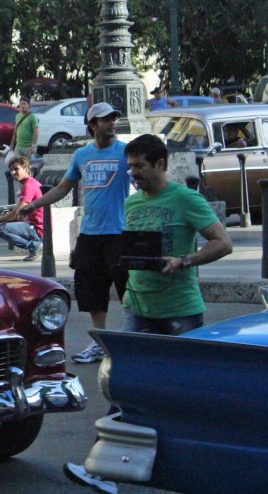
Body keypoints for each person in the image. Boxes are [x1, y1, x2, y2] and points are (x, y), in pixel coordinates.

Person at [64, 134, 233, 494]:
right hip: (138, 308)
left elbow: (223, 242)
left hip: (180, 313)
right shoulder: (133, 203)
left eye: (139, 166)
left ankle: (209, 468)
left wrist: (184, 260)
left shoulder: (186, 199)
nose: (133, 173)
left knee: (186, 394)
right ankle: (102, 470)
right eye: (130, 167)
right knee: (125, 389)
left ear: (160, 164)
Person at [18, 102, 130, 364]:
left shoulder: (125, 153)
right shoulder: (81, 155)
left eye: (114, 119)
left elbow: (143, 179)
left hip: (120, 232)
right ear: (92, 125)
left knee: (129, 290)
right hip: (90, 233)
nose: (112, 123)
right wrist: (34, 204)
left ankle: (130, 342)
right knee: (92, 292)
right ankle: (100, 343)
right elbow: (63, 188)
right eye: (105, 120)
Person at [0, 154, 43, 261]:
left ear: (26, 169)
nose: (13, 173)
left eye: (16, 169)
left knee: (1, 229)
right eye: (11, 170)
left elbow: (17, 212)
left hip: (39, 230)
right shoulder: (30, 183)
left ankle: (34, 246)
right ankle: (35, 244)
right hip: (37, 226)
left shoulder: (28, 186)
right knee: (8, 223)